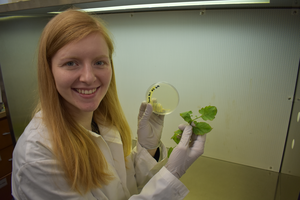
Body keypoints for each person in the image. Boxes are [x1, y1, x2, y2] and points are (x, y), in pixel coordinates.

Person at [11, 9, 206, 200]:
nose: (88, 77)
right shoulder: (38, 157)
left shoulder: (100, 120)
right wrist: (171, 174)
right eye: (71, 63)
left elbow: (123, 188)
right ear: (49, 69)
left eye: (99, 62)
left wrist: (148, 148)